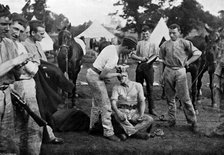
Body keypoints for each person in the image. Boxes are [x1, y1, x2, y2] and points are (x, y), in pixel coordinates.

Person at [86, 36, 137, 141]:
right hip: (96, 77)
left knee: (96, 104)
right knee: (106, 106)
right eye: (130, 50)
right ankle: (108, 132)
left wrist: (113, 71)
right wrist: (117, 73)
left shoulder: (111, 47)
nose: (129, 53)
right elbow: (102, 76)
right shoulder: (114, 57)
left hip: (91, 73)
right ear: (126, 47)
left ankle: (93, 127)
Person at [0, 4, 32, 154]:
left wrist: (21, 65)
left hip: (6, 94)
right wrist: (15, 61)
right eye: (3, 24)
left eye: (8, 24)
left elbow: (16, 75)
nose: (7, 29)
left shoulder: (9, 43)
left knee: (7, 142)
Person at [159, 24, 202, 132]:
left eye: (174, 32)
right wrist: (161, 75)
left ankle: (193, 122)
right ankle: (171, 120)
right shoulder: (164, 45)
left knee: (185, 98)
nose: (172, 35)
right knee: (170, 98)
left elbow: (198, 53)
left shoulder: (185, 42)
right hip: (168, 71)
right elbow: (161, 61)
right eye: (170, 33)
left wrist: (188, 62)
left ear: (179, 32)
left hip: (180, 71)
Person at [111, 65, 154, 140]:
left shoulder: (137, 85)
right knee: (117, 117)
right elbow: (113, 103)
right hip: (122, 112)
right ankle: (137, 134)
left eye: (123, 76)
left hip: (134, 113)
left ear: (127, 75)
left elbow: (142, 101)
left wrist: (141, 114)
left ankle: (127, 134)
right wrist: (118, 112)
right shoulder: (116, 87)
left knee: (149, 119)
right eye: (119, 76)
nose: (120, 78)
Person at [131, 25, 159, 116]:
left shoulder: (154, 43)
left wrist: (150, 60)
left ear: (150, 33)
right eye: (144, 34)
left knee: (150, 88)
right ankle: (138, 107)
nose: (145, 36)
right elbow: (132, 55)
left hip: (149, 67)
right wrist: (141, 58)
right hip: (140, 67)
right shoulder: (139, 43)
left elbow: (156, 56)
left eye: (147, 34)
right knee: (138, 87)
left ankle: (152, 109)